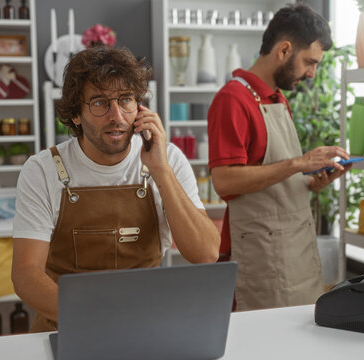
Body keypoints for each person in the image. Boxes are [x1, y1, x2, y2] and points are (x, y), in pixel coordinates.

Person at [12, 46, 220, 332]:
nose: (117, 116)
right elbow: (25, 273)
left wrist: (161, 171)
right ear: (75, 114)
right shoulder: (42, 170)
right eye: (99, 103)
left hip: (145, 324)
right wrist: (92, 319)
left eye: (126, 100)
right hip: (66, 324)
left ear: (140, 107)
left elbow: (206, 253)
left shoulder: (167, 159)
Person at [207, 4, 352, 312]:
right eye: (309, 62)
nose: (312, 73)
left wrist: (311, 182)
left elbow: (274, 178)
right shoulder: (232, 99)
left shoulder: (276, 98)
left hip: (296, 254)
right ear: (285, 50)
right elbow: (224, 180)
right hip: (261, 260)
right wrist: (299, 163)